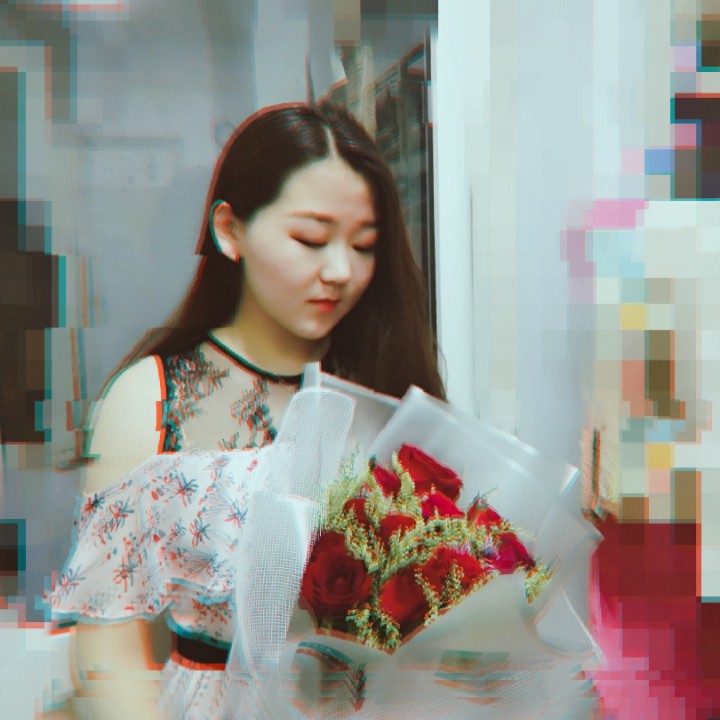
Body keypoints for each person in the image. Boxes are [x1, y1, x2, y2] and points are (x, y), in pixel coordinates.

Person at [51, 102, 445, 719]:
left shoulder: (391, 388)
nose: (340, 270)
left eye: (364, 245)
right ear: (230, 231)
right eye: (310, 240)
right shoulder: (154, 397)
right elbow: (107, 648)